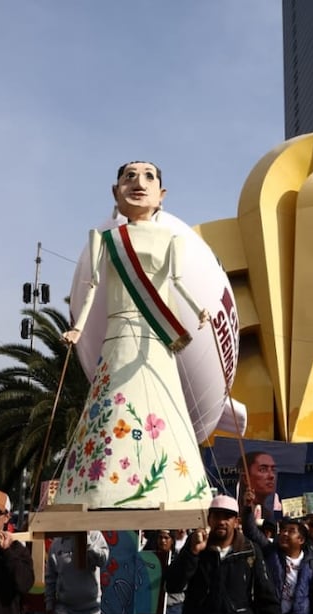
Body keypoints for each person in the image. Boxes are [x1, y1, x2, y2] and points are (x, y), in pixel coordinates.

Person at [58, 161, 212, 509]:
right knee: (112, 403)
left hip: (155, 338)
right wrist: (79, 328)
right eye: (129, 177)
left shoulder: (171, 238)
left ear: (161, 194)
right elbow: (93, 285)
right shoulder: (106, 239)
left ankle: (176, 485)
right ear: (116, 192)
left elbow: (177, 281)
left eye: (148, 177)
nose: (138, 183)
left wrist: (199, 309)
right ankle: (99, 484)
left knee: (161, 403)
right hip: (118, 334)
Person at [166, 495, 282, 614]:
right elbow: (173, 585)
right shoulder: (195, 547)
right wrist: (192, 553)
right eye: (217, 516)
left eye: (227, 517)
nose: (221, 522)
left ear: (236, 521)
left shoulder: (249, 551)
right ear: (209, 520)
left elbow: (267, 598)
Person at [45, 531, 110, 614]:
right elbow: (50, 577)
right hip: (64, 608)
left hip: (90, 608)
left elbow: (103, 560)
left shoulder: (95, 535)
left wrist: (87, 542)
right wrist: (49, 606)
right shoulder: (57, 543)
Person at [143, 530, 184, 614]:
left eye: (166, 538)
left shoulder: (180, 558)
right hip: (155, 606)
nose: (163, 541)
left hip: (174, 606)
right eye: (160, 537)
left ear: (172, 540)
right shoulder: (149, 558)